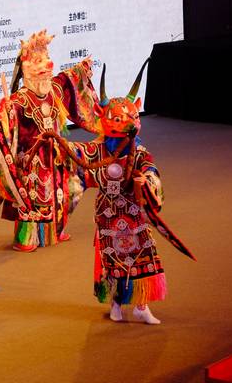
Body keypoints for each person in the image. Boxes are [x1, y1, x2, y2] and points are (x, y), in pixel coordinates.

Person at [37, 62, 194, 324]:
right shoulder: (98, 150)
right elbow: (76, 152)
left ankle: (142, 305)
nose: (126, 125)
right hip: (108, 214)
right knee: (112, 260)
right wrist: (55, 141)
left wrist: (146, 180)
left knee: (142, 254)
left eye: (129, 119)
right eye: (118, 120)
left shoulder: (139, 152)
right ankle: (116, 304)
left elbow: (152, 171)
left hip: (133, 213)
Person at [0, 30, 99, 252]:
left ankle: (56, 230)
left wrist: (82, 69)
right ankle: (27, 238)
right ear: (26, 68)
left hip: (56, 154)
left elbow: (69, 79)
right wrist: (7, 114)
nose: (46, 64)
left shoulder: (54, 90)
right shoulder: (19, 100)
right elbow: (4, 129)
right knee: (34, 197)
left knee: (63, 192)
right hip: (32, 159)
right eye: (38, 61)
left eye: (47, 58)